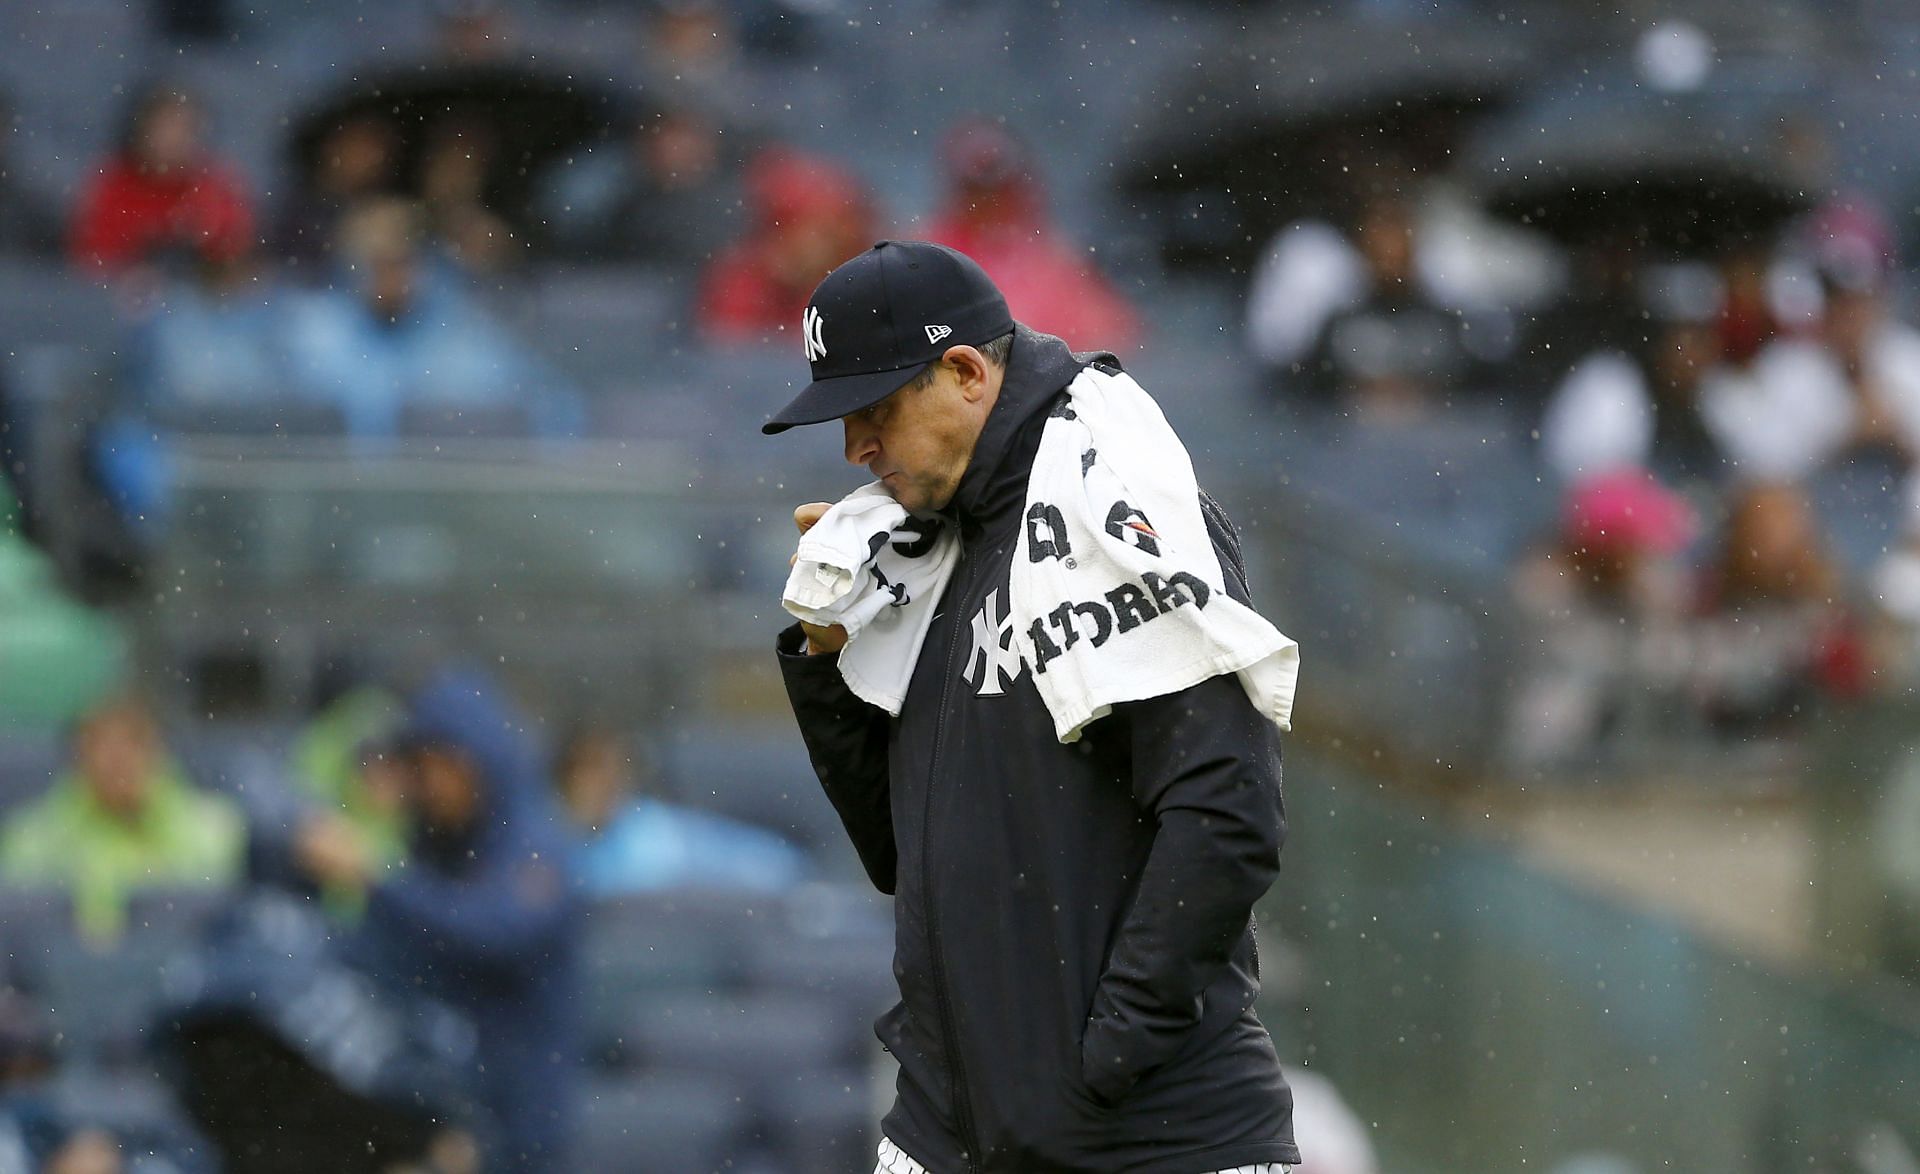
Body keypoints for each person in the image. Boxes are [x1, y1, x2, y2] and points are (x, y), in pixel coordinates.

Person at [765, 241, 1300, 1172]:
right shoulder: (933, 545)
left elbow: (1228, 809)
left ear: (966, 372)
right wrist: (828, 659)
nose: (856, 450)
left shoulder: (1111, 497)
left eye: (875, 411)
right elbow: (898, 853)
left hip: (1157, 1141)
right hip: (951, 1133)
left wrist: (1104, 1059)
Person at [293, 668, 579, 1173]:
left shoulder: (533, 840)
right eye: (420, 769)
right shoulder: (433, 843)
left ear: (476, 761)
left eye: (441, 767)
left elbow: (496, 935)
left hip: (521, 1123)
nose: (431, 785)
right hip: (441, 1110)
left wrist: (373, 877)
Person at [0, 693, 244, 941]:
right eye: (100, 744)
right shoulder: (28, 835)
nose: (117, 759)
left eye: (133, 742)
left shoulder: (216, 826)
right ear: (78, 756)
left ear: (159, 751)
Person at [553, 726, 807, 896]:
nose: (604, 782)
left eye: (612, 769)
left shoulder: (654, 834)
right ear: (567, 778)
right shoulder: (544, 841)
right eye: (590, 770)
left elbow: (776, 868)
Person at [67, 83, 255, 277]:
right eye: (165, 127)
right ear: (142, 129)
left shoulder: (214, 186)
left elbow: (239, 257)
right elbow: (93, 259)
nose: (174, 139)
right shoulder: (113, 185)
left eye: (184, 129)